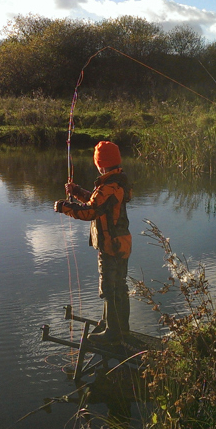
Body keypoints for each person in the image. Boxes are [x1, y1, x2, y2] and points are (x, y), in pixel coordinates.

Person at [54, 141, 133, 344]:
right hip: (120, 242)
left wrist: (64, 207)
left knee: (109, 287)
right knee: (119, 286)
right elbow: (97, 203)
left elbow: (90, 211)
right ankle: (117, 326)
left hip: (110, 245)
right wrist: (77, 192)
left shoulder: (108, 186)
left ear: (100, 164)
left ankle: (113, 333)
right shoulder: (117, 182)